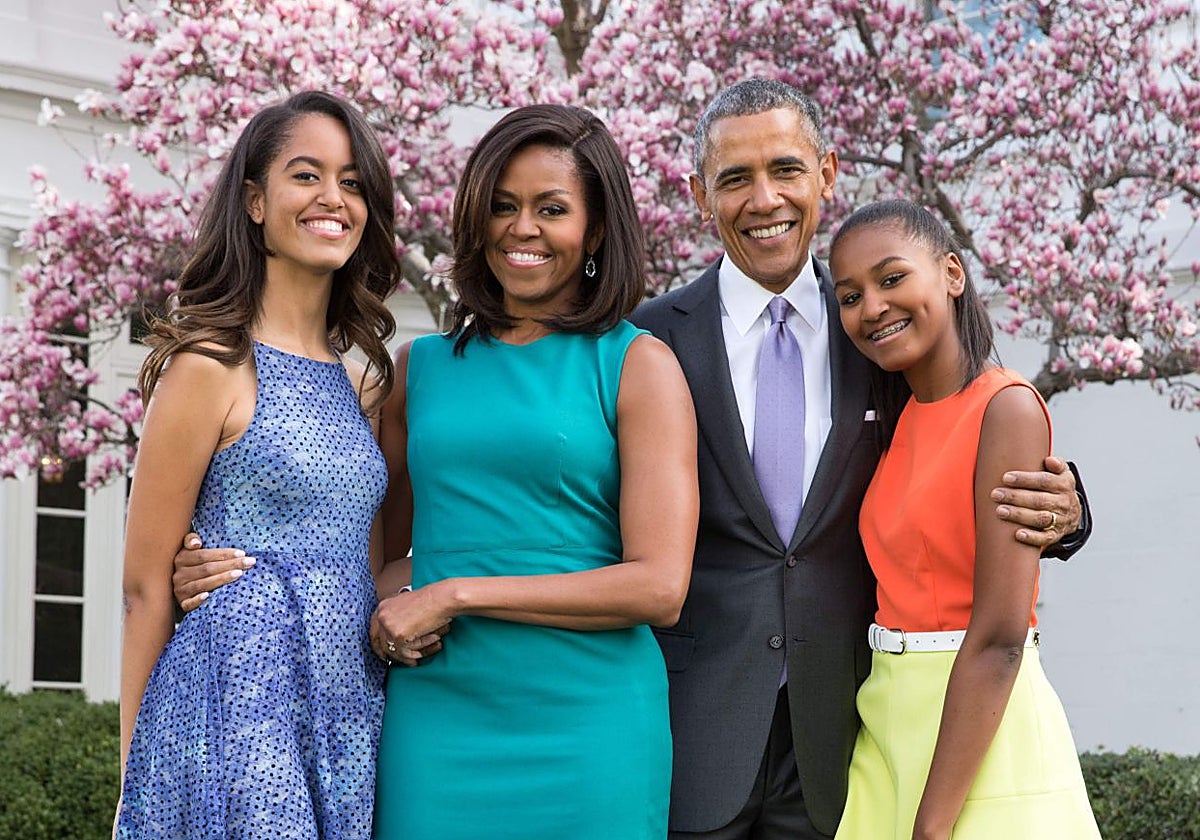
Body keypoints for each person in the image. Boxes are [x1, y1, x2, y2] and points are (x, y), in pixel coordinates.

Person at [169, 104, 698, 838]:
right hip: (437, 720)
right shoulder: (418, 370)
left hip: (592, 725)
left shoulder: (639, 366)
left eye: (552, 209)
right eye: (502, 206)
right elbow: (365, 559)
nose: (523, 229)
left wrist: (453, 592)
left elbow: (660, 586)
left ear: (597, 230)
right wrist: (233, 571)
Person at [627, 78, 1091, 840]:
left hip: (848, 735)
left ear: (827, 174)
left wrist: (1067, 511)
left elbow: (965, 433)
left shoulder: (884, 336)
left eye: (785, 169)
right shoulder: (648, 341)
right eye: (734, 179)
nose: (764, 199)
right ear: (700, 197)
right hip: (696, 731)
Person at [115, 90, 401, 838]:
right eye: (306, 176)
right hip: (232, 707)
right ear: (253, 200)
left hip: (347, 705)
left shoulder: (366, 384)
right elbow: (146, 590)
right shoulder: (209, 365)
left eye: (353, 181)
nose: (333, 198)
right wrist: (133, 789)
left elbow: (367, 564)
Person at [828, 199, 1100, 839]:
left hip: (981, 727)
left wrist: (933, 825)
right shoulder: (896, 419)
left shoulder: (1004, 409)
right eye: (849, 296)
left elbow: (1002, 636)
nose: (872, 308)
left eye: (892, 279)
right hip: (888, 721)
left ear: (952, 274)